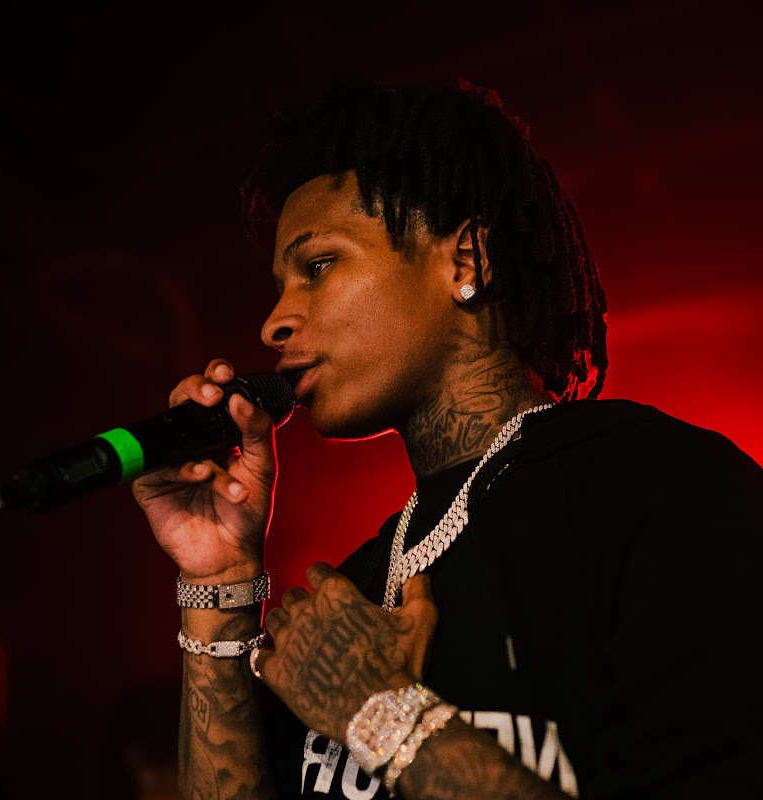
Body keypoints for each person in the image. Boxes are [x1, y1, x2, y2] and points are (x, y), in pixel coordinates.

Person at [132, 81, 763, 799]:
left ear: (465, 261)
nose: (273, 322)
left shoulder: (667, 490)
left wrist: (380, 713)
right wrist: (218, 581)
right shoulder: (353, 588)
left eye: (318, 266)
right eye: (281, 284)